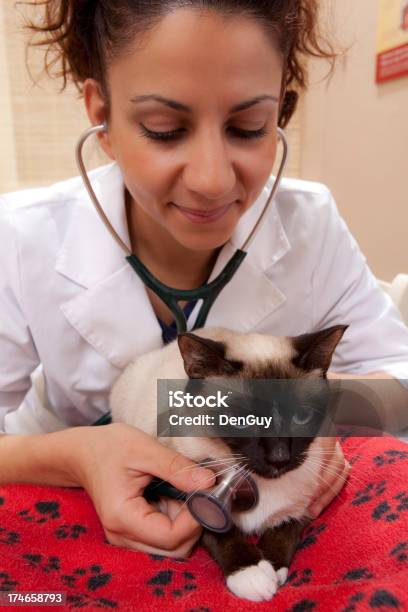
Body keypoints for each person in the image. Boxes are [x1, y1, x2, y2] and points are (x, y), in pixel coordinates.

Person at [1, 0, 407, 560]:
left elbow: (402, 386)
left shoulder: (309, 225)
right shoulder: (22, 238)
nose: (212, 180)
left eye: (249, 127)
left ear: (280, 114)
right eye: (164, 129)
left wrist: (310, 411)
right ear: (103, 118)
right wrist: (75, 455)